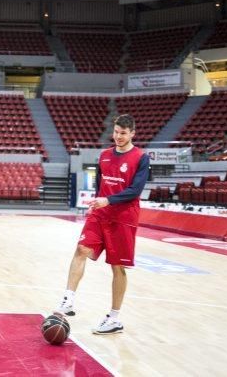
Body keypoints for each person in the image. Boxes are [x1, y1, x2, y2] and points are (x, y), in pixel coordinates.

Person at [55, 114, 150, 335]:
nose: (118, 136)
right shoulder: (104, 155)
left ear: (133, 134)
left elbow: (135, 190)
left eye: (123, 133)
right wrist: (97, 202)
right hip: (100, 214)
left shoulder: (141, 158)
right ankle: (68, 301)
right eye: (116, 132)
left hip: (124, 217)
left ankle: (114, 318)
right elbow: (101, 184)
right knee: (80, 250)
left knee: (117, 267)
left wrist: (108, 200)